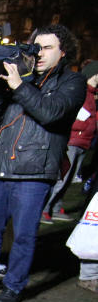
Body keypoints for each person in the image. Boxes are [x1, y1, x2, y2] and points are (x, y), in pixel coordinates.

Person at [0, 24, 87, 302]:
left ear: (63, 52)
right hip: (1, 166)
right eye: (36, 47)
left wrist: (19, 86)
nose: (39, 54)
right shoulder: (22, 77)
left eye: (48, 47)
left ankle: (14, 286)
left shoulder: (72, 82)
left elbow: (51, 114)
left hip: (35, 171)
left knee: (23, 235)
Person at [42, 61, 97, 222]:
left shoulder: (91, 94)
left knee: (69, 179)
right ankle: (44, 209)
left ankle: (56, 207)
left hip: (83, 141)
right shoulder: (81, 91)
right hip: (74, 140)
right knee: (62, 177)